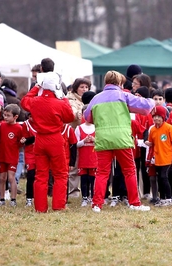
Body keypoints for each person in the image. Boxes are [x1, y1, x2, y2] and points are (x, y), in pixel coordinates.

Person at [83, 70, 155, 213]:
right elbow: (146, 107)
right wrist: (152, 99)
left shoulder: (96, 98)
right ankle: (134, 203)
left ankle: (96, 204)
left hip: (103, 138)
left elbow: (87, 117)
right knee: (129, 170)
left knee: (102, 172)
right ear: (120, 82)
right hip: (121, 138)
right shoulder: (124, 95)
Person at [21, 71, 75, 213]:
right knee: (60, 174)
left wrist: (36, 87)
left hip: (39, 139)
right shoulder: (59, 103)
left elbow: (24, 101)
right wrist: (63, 98)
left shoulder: (35, 101)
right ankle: (58, 205)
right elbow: (70, 116)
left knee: (40, 176)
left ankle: (40, 208)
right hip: (55, 139)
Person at [146, 105, 172, 207]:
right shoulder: (152, 130)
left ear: (163, 117)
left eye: (159, 116)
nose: (156, 118)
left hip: (167, 158)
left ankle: (169, 198)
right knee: (159, 178)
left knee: (164, 177)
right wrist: (148, 159)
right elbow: (151, 145)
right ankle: (162, 198)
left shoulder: (169, 128)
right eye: (154, 116)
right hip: (157, 159)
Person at [66, 77, 91, 198]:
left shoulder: (90, 98)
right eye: (82, 87)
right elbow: (73, 114)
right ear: (76, 88)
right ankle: (73, 191)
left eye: (86, 87)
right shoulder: (70, 99)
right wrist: (83, 113)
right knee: (74, 164)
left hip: (89, 133)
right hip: (75, 133)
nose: (84, 89)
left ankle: (88, 190)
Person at [0, 104, 25, 207]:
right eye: (4, 115)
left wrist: (22, 142)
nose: (5, 117)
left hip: (12, 156)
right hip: (2, 156)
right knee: (1, 178)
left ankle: (13, 199)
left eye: (8, 115)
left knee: (11, 178)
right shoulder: (2, 126)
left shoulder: (18, 128)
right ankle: (2, 198)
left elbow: (20, 143)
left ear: (15, 117)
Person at [75, 105, 96, 207]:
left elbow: (101, 143)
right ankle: (84, 198)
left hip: (94, 159)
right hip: (83, 159)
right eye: (85, 113)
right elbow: (76, 144)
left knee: (93, 179)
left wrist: (93, 140)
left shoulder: (97, 127)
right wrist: (84, 141)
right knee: (84, 179)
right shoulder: (79, 128)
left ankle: (92, 197)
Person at [22, 113, 36, 207]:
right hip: (30, 153)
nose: (32, 118)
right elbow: (25, 140)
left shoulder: (43, 123)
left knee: (41, 177)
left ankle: (39, 196)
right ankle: (29, 198)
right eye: (30, 116)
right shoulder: (26, 124)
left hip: (41, 153)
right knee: (31, 175)